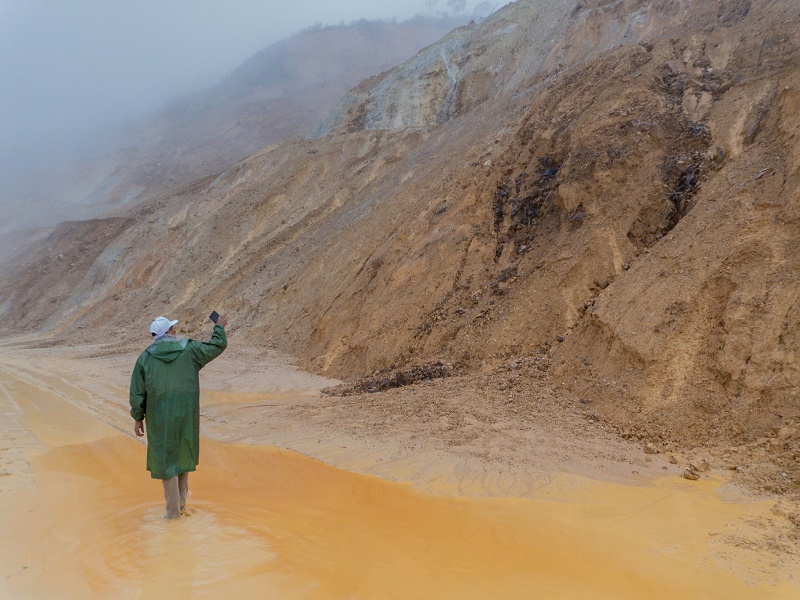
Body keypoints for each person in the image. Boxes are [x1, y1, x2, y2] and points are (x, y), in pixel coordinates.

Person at [130, 314, 228, 518]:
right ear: (169, 333)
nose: (176, 332)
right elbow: (217, 346)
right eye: (173, 329)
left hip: (159, 419)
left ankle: (172, 514)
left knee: (167, 462)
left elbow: (137, 393)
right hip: (186, 415)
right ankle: (181, 509)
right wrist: (218, 327)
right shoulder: (190, 350)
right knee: (183, 453)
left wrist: (138, 418)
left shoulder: (145, 359)